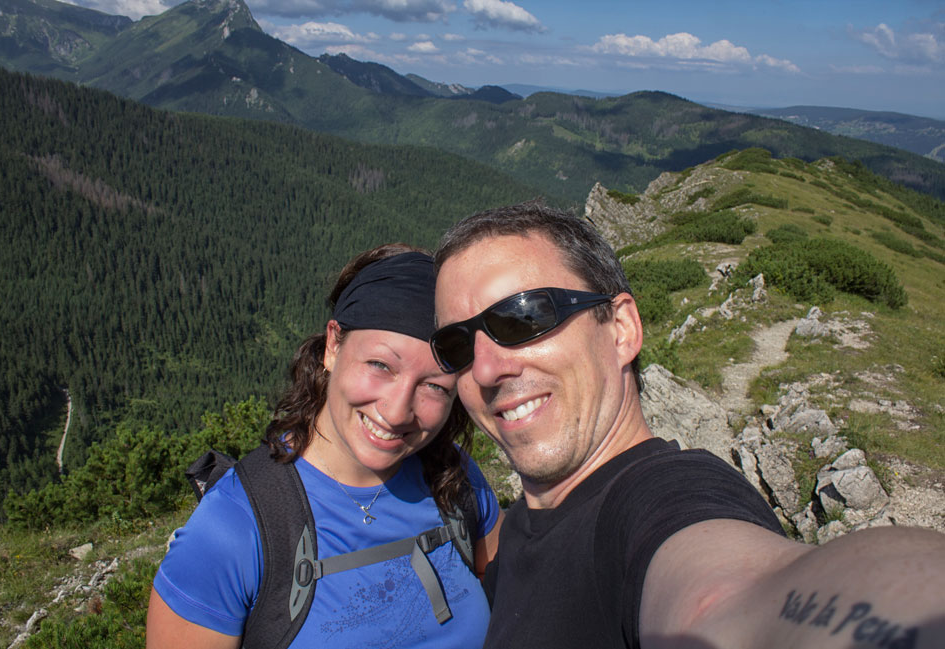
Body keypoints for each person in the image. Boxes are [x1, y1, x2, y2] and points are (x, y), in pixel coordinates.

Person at [430, 200, 945, 649]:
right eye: (456, 345)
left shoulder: (658, 499)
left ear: (622, 330)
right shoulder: (522, 524)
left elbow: (720, 596)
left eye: (524, 317)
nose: (487, 369)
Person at [146, 244, 503, 649]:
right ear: (333, 345)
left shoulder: (453, 478)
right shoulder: (233, 529)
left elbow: (515, 600)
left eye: (435, 386)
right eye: (381, 365)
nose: (399, 410)